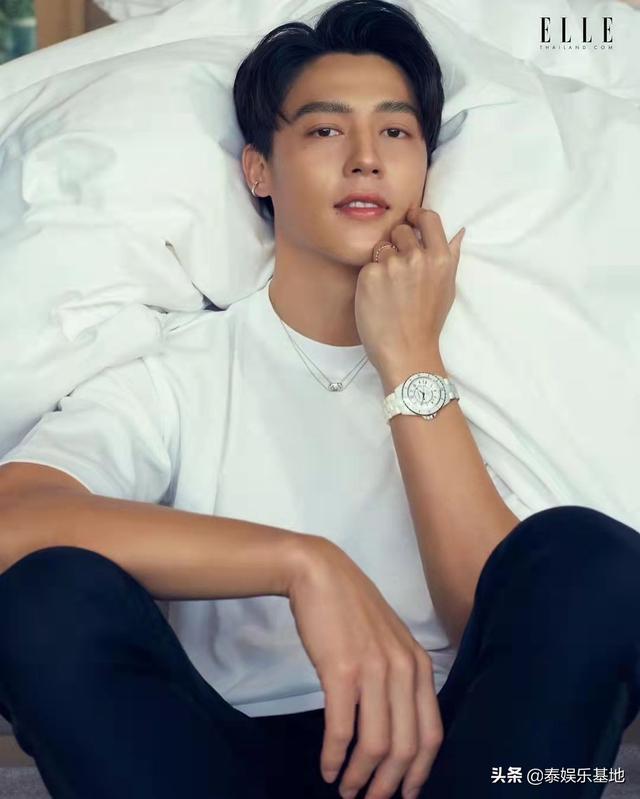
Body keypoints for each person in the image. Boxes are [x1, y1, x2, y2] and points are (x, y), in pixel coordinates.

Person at [0, 1, 638, 798]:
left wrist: (409, 359)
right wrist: (302, 564)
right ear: (259, 171)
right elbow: (13, 518)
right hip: (217, 765)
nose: (366, 159)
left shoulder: (483, 359)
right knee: (42, 596)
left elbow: (509, 615)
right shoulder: (183, 368)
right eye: (326, 129)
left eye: (395, 131)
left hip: (466, 757)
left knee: (594, 557)